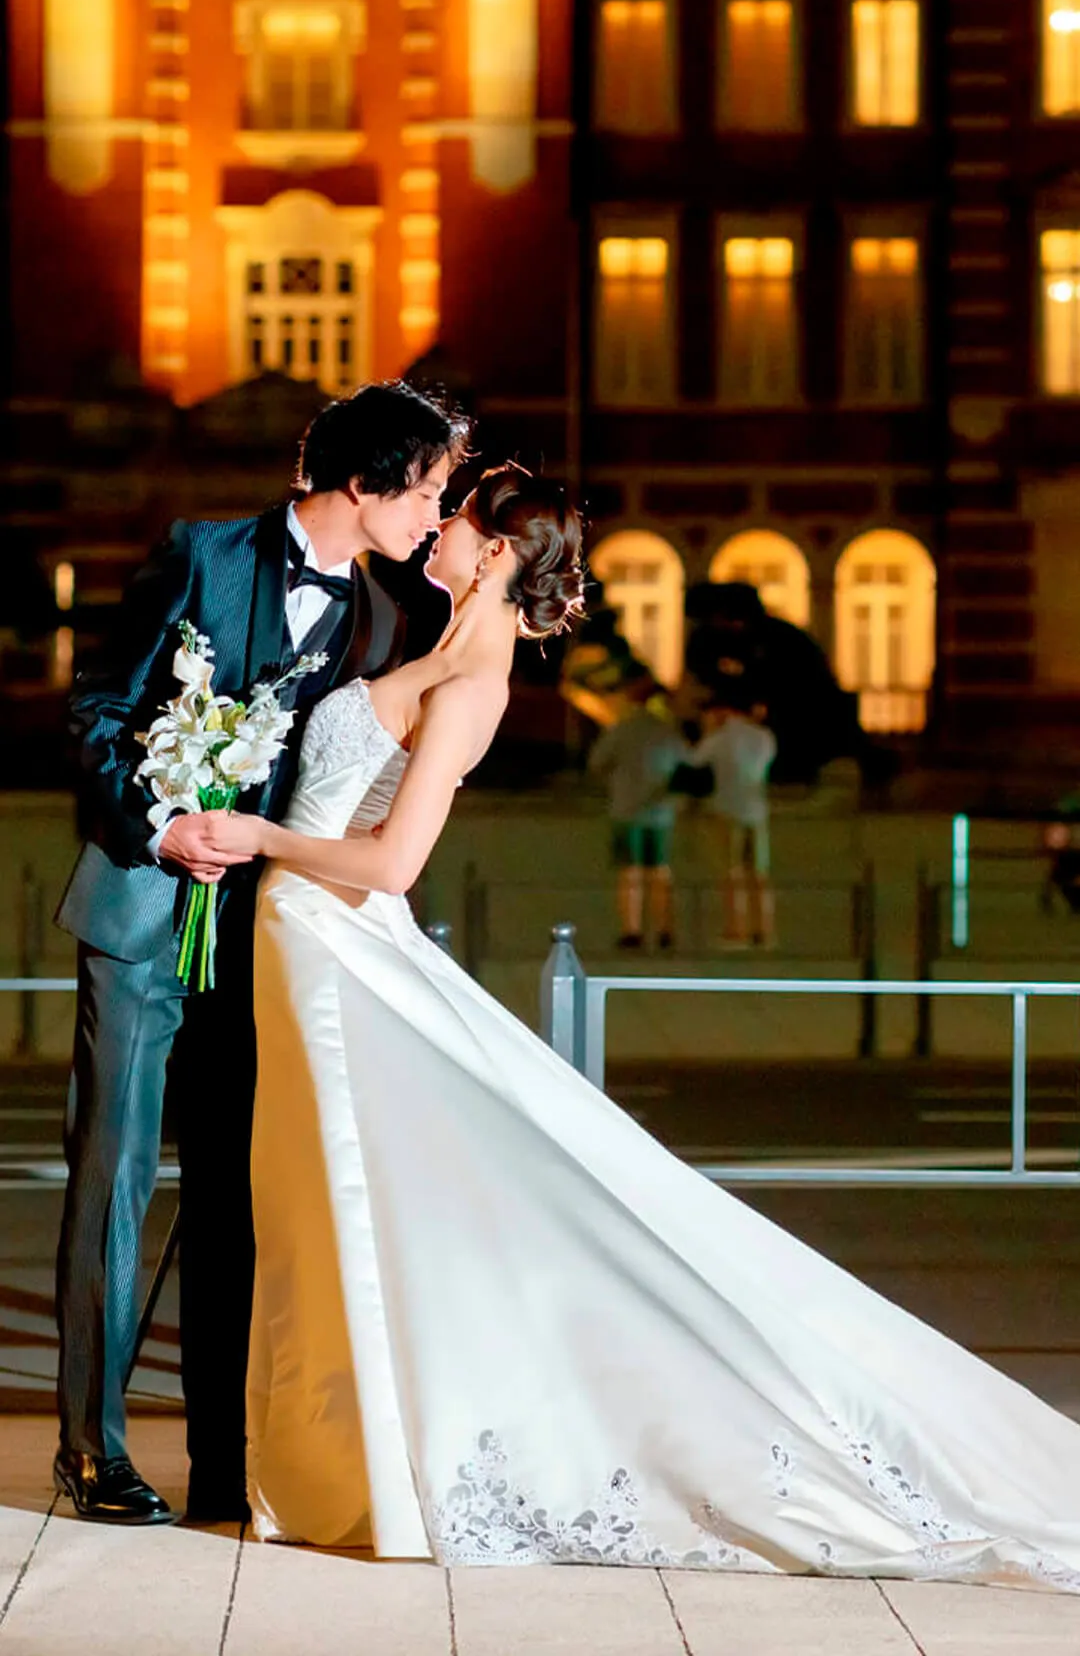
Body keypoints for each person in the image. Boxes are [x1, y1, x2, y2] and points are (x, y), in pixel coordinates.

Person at [204, 464, 1080, 1588]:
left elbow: (391, 865)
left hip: (337, 951)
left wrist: (256, 836)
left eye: (456, 519)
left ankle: (382, 1465)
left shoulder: (473, 684)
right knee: (328, 1213)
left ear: (500, 552)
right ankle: (341, 1460)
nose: (436, 529)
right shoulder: (438, 648)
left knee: (367, 1209)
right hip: (304, 943)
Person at [51, 379, 468, 1527]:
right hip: (142, 909)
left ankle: (228, 1465)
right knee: (116, 1180)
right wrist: (160, 823)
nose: (433, 515)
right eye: (426, 490)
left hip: (265, 938)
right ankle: (91, 1450)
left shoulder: (387, 621)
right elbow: (94, 704)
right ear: (364, 481)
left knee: (238, 1196)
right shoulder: (200, 557)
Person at [587, 678, 685, 949]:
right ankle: (664, 928)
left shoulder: (622, 729)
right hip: (661, 811)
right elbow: (686, 764)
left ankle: (632, 929)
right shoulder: (668, 731)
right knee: (660, 872)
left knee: (629, 872)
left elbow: (597, 762)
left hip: (627, 809)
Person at [690, 676, 777, 947]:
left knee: (732, 872)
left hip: (728, 810)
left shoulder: (719, 739)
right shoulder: (764, 737)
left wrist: (708, 731)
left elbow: (694, 760)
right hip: (757, 811)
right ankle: (763, 928)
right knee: (760, 874)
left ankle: (736, 927)